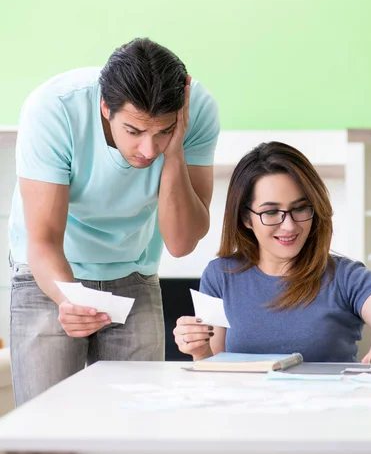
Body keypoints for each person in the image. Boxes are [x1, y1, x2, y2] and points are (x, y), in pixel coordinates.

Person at [9, 37, 220, 405]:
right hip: (49, 275)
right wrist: (66, 299)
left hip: (132, 273)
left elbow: (181, 243)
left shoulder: (197, 110)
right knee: (49, 428)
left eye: (163, 132)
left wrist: (175, 155)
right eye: (134, 131)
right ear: (105, 107)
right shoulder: (54, 109)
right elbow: (43, 238)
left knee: (135, 423)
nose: (148, 150)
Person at [174, 141, 371, 372]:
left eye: (300, 208)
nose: (289, 226)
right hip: (247, 406)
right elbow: (215, 370)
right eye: (271, 212)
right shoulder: (219, 276)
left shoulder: (345, 277)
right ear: (245, 218)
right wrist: (198, 350)